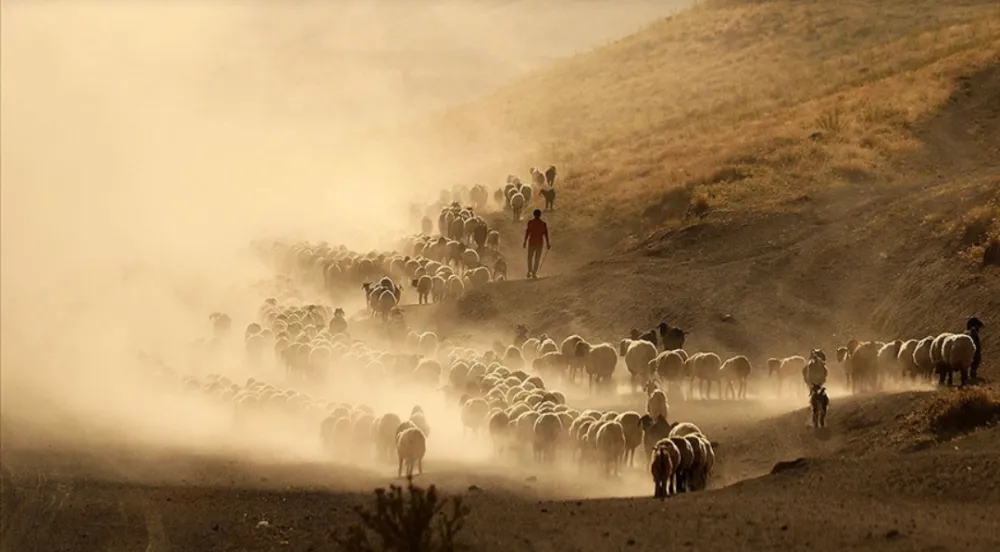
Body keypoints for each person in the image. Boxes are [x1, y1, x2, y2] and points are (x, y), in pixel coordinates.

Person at [523, 209, 550, 279]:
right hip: (539, 243)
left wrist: (525, 241)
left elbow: (527, 232)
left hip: (531, 242)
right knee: (537, 259)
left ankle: (529, 271)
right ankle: (534, 273)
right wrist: (548, 243)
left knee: (529, 258)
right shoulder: (543, 224)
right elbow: (546, 234)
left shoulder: (530, 222)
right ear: (540, 215)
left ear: (533, 214)